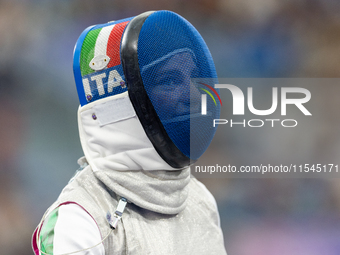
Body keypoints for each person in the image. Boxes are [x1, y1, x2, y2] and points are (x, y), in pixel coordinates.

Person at [32, 10, 227, 255]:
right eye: (170, 80)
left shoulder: (199, 200)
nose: (194, 95)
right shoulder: (80, 216)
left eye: (193, 78)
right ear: (124, 104)